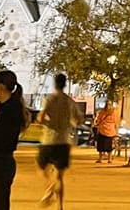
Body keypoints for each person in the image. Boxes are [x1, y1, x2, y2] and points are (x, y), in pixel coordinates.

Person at [0, 70, 28, 210]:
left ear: (1, 86)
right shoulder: (4, 106)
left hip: (2, 162)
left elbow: (2, 136)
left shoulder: (11, 109)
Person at [36, 73, 82, 207]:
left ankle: (50, 187)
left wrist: (47, 123)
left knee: (41, 168)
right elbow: (79, 119)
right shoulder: (69, 101)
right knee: (60, 176)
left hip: (49, 139)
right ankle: (60, 206)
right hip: (64, 140)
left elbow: (41, 118)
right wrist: (68, 123)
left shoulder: (50, 99)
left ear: (54, 84)